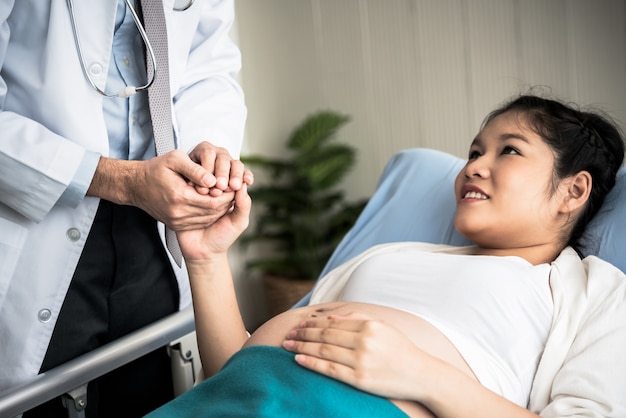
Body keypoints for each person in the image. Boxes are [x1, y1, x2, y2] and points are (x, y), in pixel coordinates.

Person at [147, 94, 626, 417]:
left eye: (509, 151)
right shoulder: (388, 256)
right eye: (475, 151)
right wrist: (207, 259)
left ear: (573, 190)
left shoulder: (594, 293)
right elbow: (230, 369)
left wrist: (422, 375)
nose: (474, 165)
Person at [0, 1, 252, 416]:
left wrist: (208, 151)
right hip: (39, 205)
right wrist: (123, 180)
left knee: (146, 391)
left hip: (157, 223)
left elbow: (210, 66)